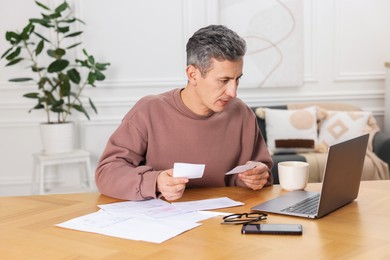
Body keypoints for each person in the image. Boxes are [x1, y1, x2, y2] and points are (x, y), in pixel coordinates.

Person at [95, 24, 274, 201]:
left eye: (237, 79)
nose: (233, 92)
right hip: (163, 222)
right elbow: (107, 173)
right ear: (193, 74)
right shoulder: (149, 111)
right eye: (224, 80)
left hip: (226, 221)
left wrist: (258, 176)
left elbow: (262, 170)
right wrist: (155, 182)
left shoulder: (241, 113)